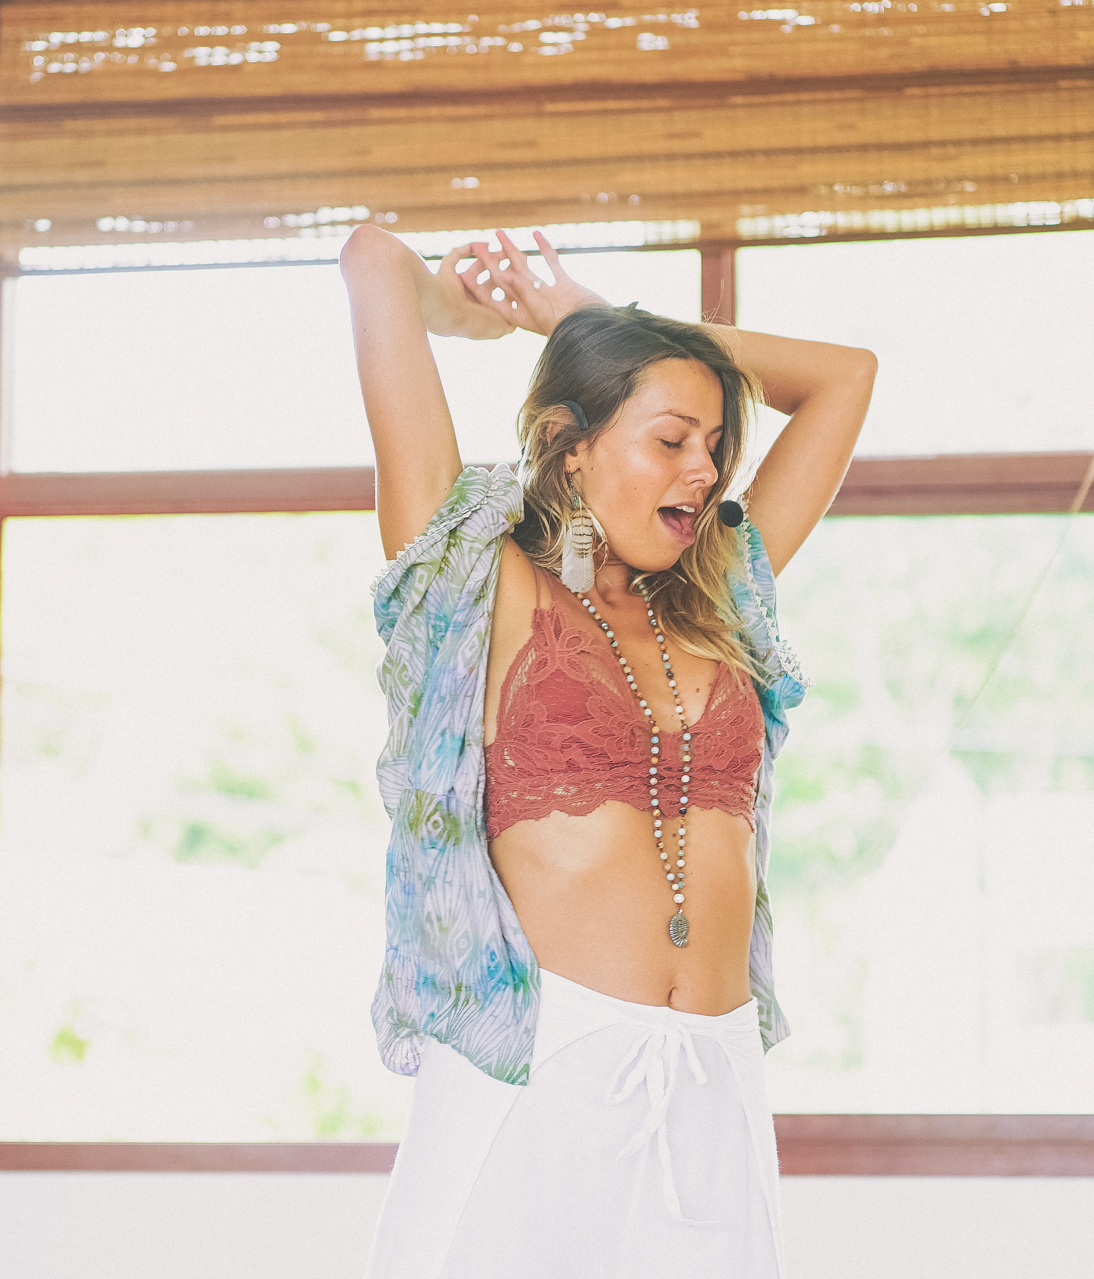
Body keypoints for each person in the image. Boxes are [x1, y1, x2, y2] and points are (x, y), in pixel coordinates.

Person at [343, 223, 875, 1277]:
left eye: (715, 443)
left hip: (712, 1081)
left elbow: (845, 378)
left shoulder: (724, 593)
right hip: (533, 1072)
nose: (705, 468)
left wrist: (592, 318)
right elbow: (370, 258)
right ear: (568, 443)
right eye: (670, 439)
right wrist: (469, 314)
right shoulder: (477, 580)